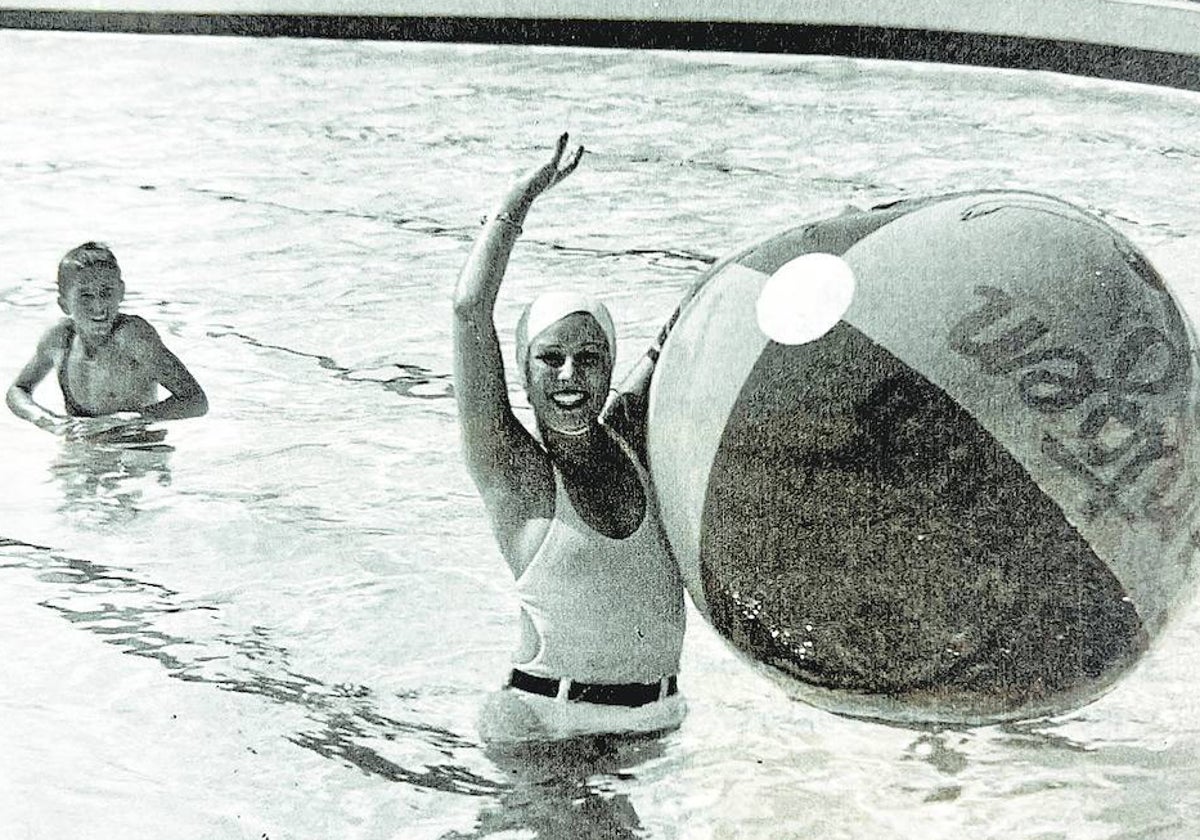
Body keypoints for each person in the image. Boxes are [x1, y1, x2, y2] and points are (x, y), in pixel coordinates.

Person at [453, 134, 686, 744]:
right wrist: (518, 202)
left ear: (610, 368)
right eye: (549, 358)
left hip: (652, 727)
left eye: (589, 358)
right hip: (547, 730)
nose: (568, 375)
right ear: (523, 375)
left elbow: (689, 324)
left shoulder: (635, 442)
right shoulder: (514, 472)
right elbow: (468, 311)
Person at [7, 242, 208, 440]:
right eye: (85, 295)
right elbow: (17, 391)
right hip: (83, 449)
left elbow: (196, 400)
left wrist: (130, 420)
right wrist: (49, 421)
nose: (99, 306)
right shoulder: (61, 340)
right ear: (64, 304)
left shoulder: (134, 338)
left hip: (138, 449)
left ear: (121, 292)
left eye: (107, 292)